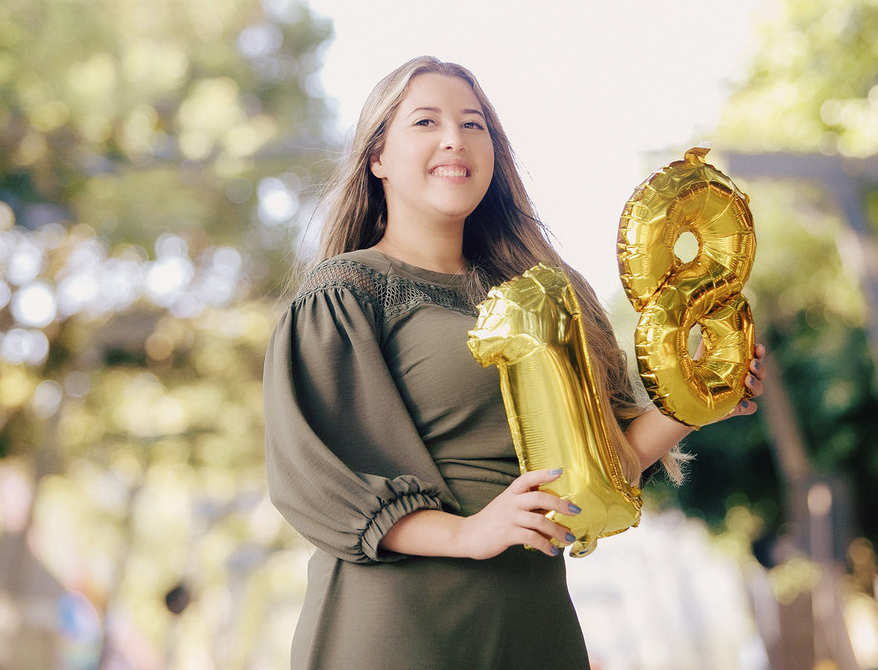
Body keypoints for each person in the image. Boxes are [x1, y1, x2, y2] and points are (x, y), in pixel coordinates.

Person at [263, 56, 765, 670]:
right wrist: (468, 532)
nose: (455, 137)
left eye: (474, 124)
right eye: (426, 121)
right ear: (377, 160)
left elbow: (605, 465)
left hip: (531, 624)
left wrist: (699, 395)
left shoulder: (544, 296)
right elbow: (316, 479)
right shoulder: (345, 293)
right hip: (399, 628)